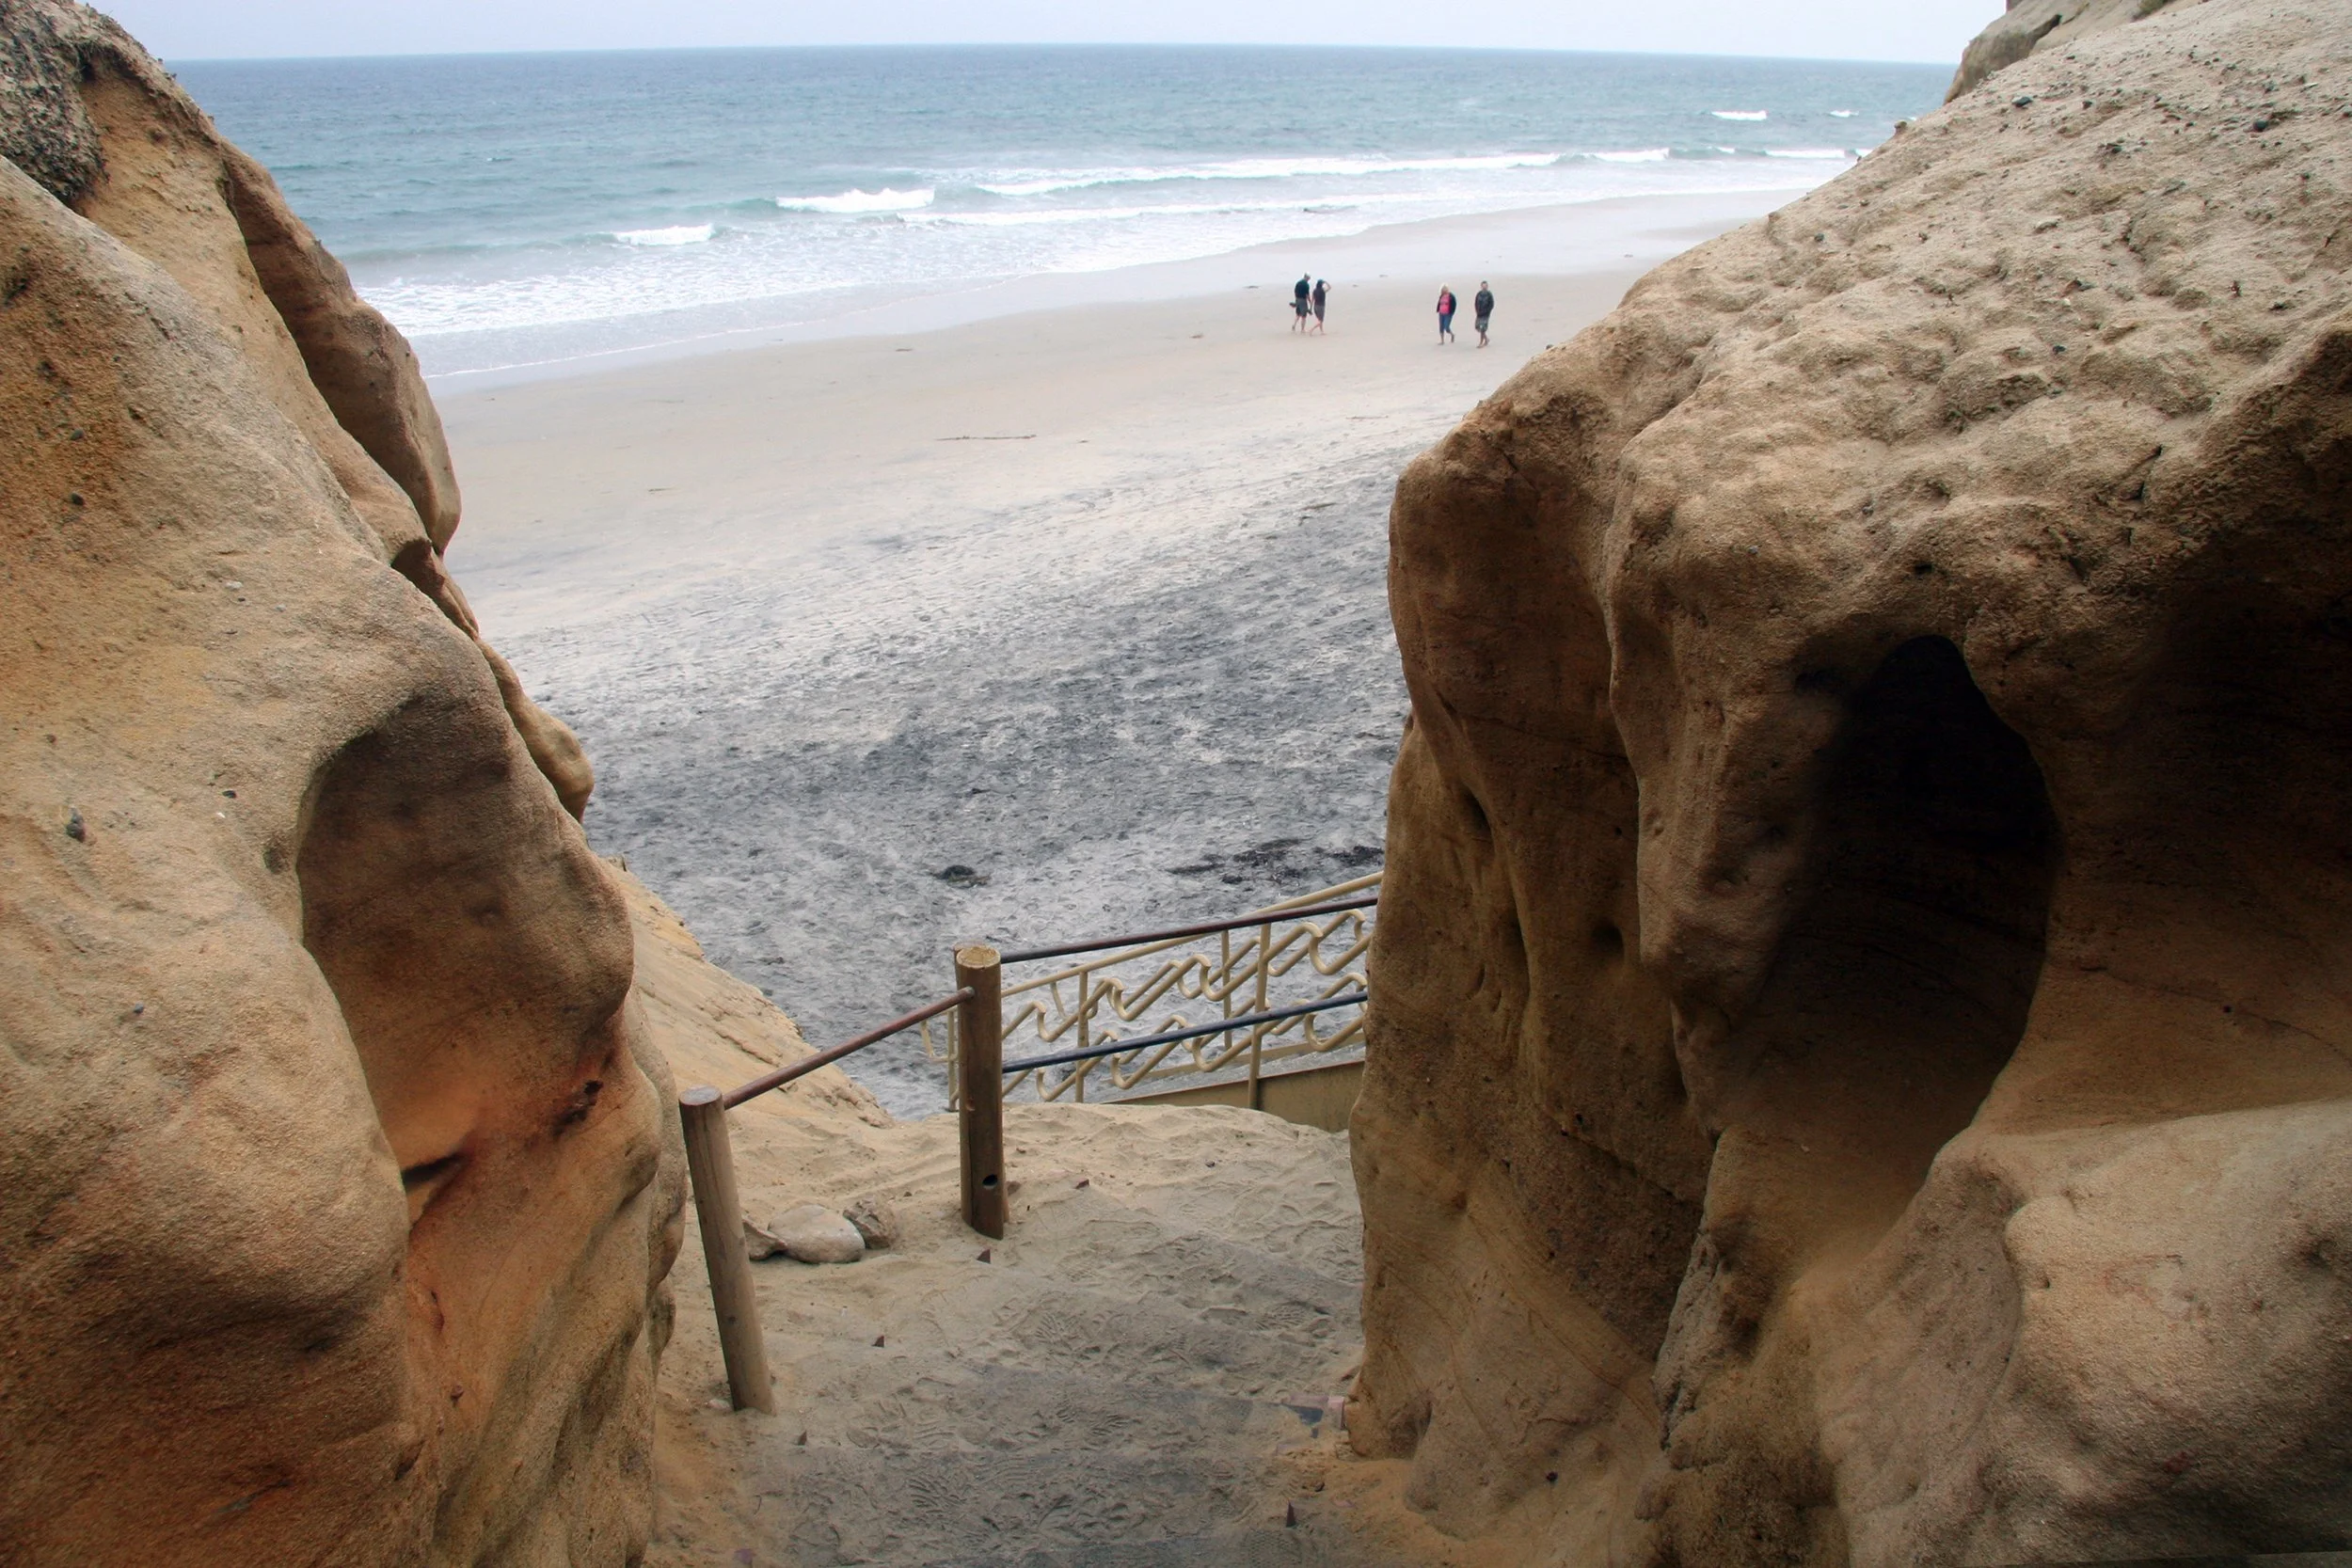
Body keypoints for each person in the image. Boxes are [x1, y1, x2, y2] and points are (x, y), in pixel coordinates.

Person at [1473, 280, 1495, 347]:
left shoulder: (1489, 294)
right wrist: (1477, 311)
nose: (1484, 287)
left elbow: (1491, 304)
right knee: (1477, 327)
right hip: (1479, 313)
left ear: (1487, 286)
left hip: (1486, 314)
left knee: (1482, 328)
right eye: (1483, 286)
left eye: (1485, 286)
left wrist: (1487, 311)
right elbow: (1476, 303)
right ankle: (1486, 339)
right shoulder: (1479, 294)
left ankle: (1481, 342)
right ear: (1481, 286)